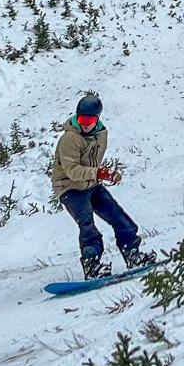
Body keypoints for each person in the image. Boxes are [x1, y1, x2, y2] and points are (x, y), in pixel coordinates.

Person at [51, 93, 153, 279]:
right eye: (81, 118)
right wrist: (99, 173)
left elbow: (92, 163)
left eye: (89, 119)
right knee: (87, 225)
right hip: (69, 188)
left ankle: (132, 254)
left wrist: (106, 174)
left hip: (91, 184)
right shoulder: (70, 139)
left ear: (97, 118)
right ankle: (91, 266)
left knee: (119, 218)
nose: (85, 123)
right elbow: (72, 170)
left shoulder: (100, 134)